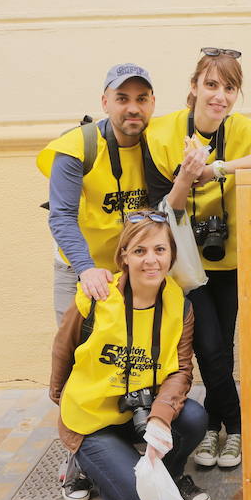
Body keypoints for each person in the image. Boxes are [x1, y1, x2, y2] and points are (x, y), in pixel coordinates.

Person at [145, 48, 251, 469]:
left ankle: (211, 427)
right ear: (193, 87)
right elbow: (162, 210)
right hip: (187, 263)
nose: (220, 96)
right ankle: (239, 426)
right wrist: (187, 176)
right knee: (207, 345)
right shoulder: (163, 134)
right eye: (211, 85)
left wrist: (216, 169)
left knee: (218, 348)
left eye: (229, 88)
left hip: (231, 262)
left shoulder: (241, 129)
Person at [49, 210, 210, 500]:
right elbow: (62, 349)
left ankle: (170, 474)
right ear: (123, 255)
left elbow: (180, 370)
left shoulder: (180, 305)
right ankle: (84, 462)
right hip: (94, 419)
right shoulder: (95, 296)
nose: (151, 260)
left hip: (139, 409)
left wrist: (162, 418)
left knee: (192, 417)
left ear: (171, 255)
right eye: (140, 251)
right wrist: (61, 401)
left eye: (159, 250)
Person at [38, 63, 157, 324]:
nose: (133, 108)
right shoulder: (78, 146)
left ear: (152, 103)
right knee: (76, 356)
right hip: (80, 268)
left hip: (135, 269)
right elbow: (62, 216)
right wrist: (87, 269)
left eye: (141, 99)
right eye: (122, 99)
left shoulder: (159, 144)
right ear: (105, 102)